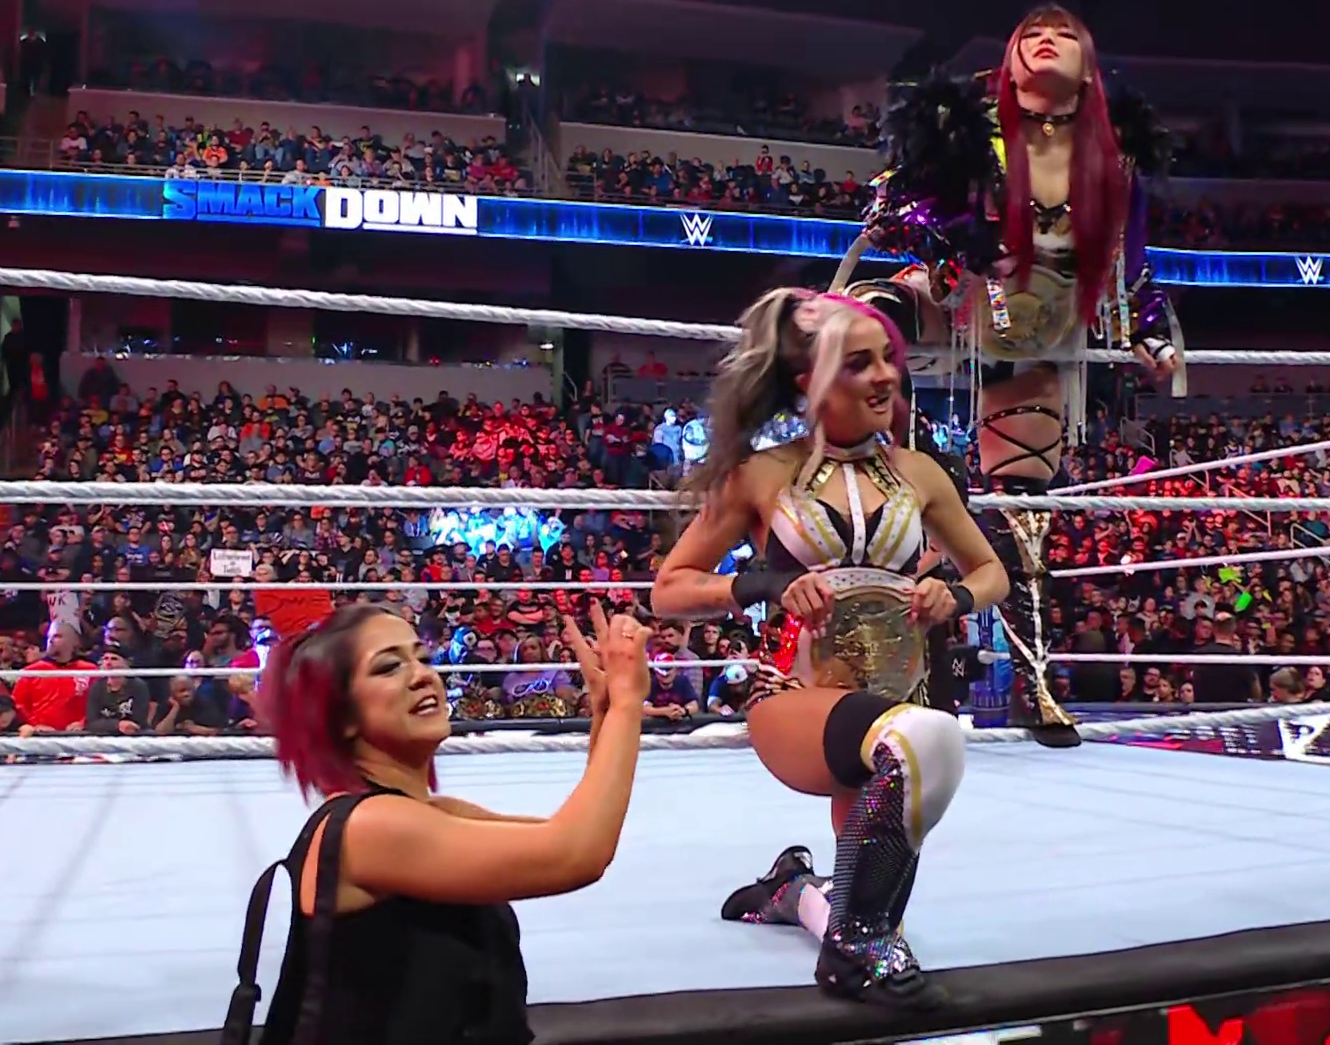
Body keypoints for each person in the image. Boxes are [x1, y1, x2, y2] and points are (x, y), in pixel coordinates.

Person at [652, 288, 1008, 1008]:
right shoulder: (761, 474)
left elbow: (991, 571)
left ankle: (796, 894)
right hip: (795, 697)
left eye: (886, 359)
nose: (885, 377)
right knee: (927, 744)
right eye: (858, 363)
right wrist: (765, 583)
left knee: (866, 896)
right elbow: (670, 589)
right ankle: (851, 958)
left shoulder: (921, 473)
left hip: (895, 697)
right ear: (807, 383)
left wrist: (955, 595)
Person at [847, 4, 1178, 748]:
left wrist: (1148, 327)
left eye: (1062, 34)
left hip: (1044, 325)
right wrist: (964, 234)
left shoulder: (1115, 154)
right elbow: (890, 205)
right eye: (1031, 33)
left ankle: (1035, 683)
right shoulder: (966, 126)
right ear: (1009, 60)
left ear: (1087, 67)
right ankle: (915, 487)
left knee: (1026, 516)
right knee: (857, 325)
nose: (1045, 39)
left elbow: (1130, 259)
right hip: (955, 293)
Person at [223, 601, 653, 1045]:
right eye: (389, 667)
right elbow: (576, 854)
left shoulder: (427, 813)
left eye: (423, 658)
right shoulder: (370, 827)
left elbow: (570, 835)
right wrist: (626, 706)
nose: (422, 675)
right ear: (342, 715)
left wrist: (605, 711)